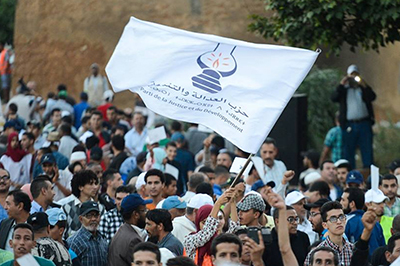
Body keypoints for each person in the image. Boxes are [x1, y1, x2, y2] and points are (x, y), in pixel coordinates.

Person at [331, 64, 376, 169]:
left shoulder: (362, 88)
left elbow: (372, 97)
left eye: (356, 75)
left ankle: (368, 172)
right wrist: (342, 84)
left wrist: (363, 84)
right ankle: (350, 171)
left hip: (364, 123)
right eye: (351, 75)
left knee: (367, 149)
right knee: (349, 150)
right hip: (349, 124)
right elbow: (333, 97)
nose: (353, 78)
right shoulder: (344, 90)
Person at [183, 189, 239, 265]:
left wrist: (232, 202)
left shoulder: (219, 240)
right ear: (197, 223)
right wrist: (218, 203)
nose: (213, 224)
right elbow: (207, 232)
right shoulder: (190, 240)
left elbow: (234, 229)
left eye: (215, 221)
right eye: (204, 222)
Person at [304, 201, 353, 266]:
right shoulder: (315, 254)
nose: (339, 222)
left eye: (341, 217)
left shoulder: (353, 250)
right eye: (333, 219)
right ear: (325, 225)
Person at [108, 193, 152, 266]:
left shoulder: (123, 229)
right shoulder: (133, 240)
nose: (146, 214)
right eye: (144, 210)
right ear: (136, 214)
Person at [340, 187, 385, 255]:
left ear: (352, 204)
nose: (340, 203)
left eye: (343, 200)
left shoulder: (346, 222)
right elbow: (382, 248)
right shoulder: (376, 224)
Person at [62, 170, 103, 236]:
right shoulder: (66, 208)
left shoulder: (100, 208)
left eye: (95, 183)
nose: (95, 187)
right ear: (80, 187)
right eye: (91, 184)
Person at [66, 201, 108, 266]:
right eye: (89, 216)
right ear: (81, 219)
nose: (93, 219)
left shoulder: (102, 239)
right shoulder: (74, 242)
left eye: (96, 215)